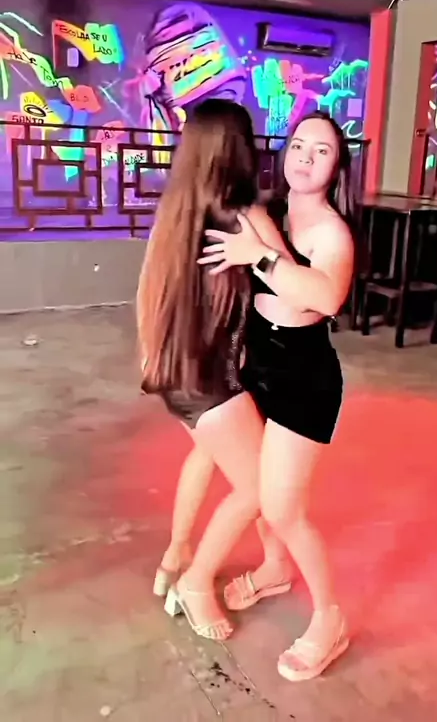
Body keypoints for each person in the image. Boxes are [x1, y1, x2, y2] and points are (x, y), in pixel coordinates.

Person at [164, 112, 355, 683]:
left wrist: (262, 256)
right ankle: (269, 568)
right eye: (298, 145)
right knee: (241, 472)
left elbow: (326, 297)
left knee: (282, 508)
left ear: (337, 166)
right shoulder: (266, 211)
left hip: (303, 378)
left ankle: (330, 618)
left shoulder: (331, 232)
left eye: (321, 151)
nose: (306, 157)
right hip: (255, 365)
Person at [137, 97, 290, 639]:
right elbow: (293, 288)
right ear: (241, 150)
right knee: (262, 489)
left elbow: (147, 294)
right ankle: (197, 582)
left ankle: (175, 557)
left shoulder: (176, 212)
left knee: (207, 455)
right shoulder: (246, 215)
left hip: (172, 374)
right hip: (213, 383)